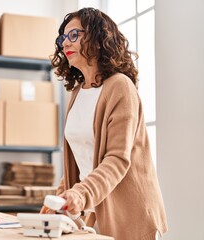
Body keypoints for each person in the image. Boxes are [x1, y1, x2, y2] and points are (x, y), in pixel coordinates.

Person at [40, 7, 168, 240]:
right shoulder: (78, 93)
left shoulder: (120, 86)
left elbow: (117, 159)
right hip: (94, 210)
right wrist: (59, 198)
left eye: (74, 35)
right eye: (62, 38)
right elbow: (81, 160)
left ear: (98, 38)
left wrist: (80, 194)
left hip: (130, 215)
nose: (65, 43)